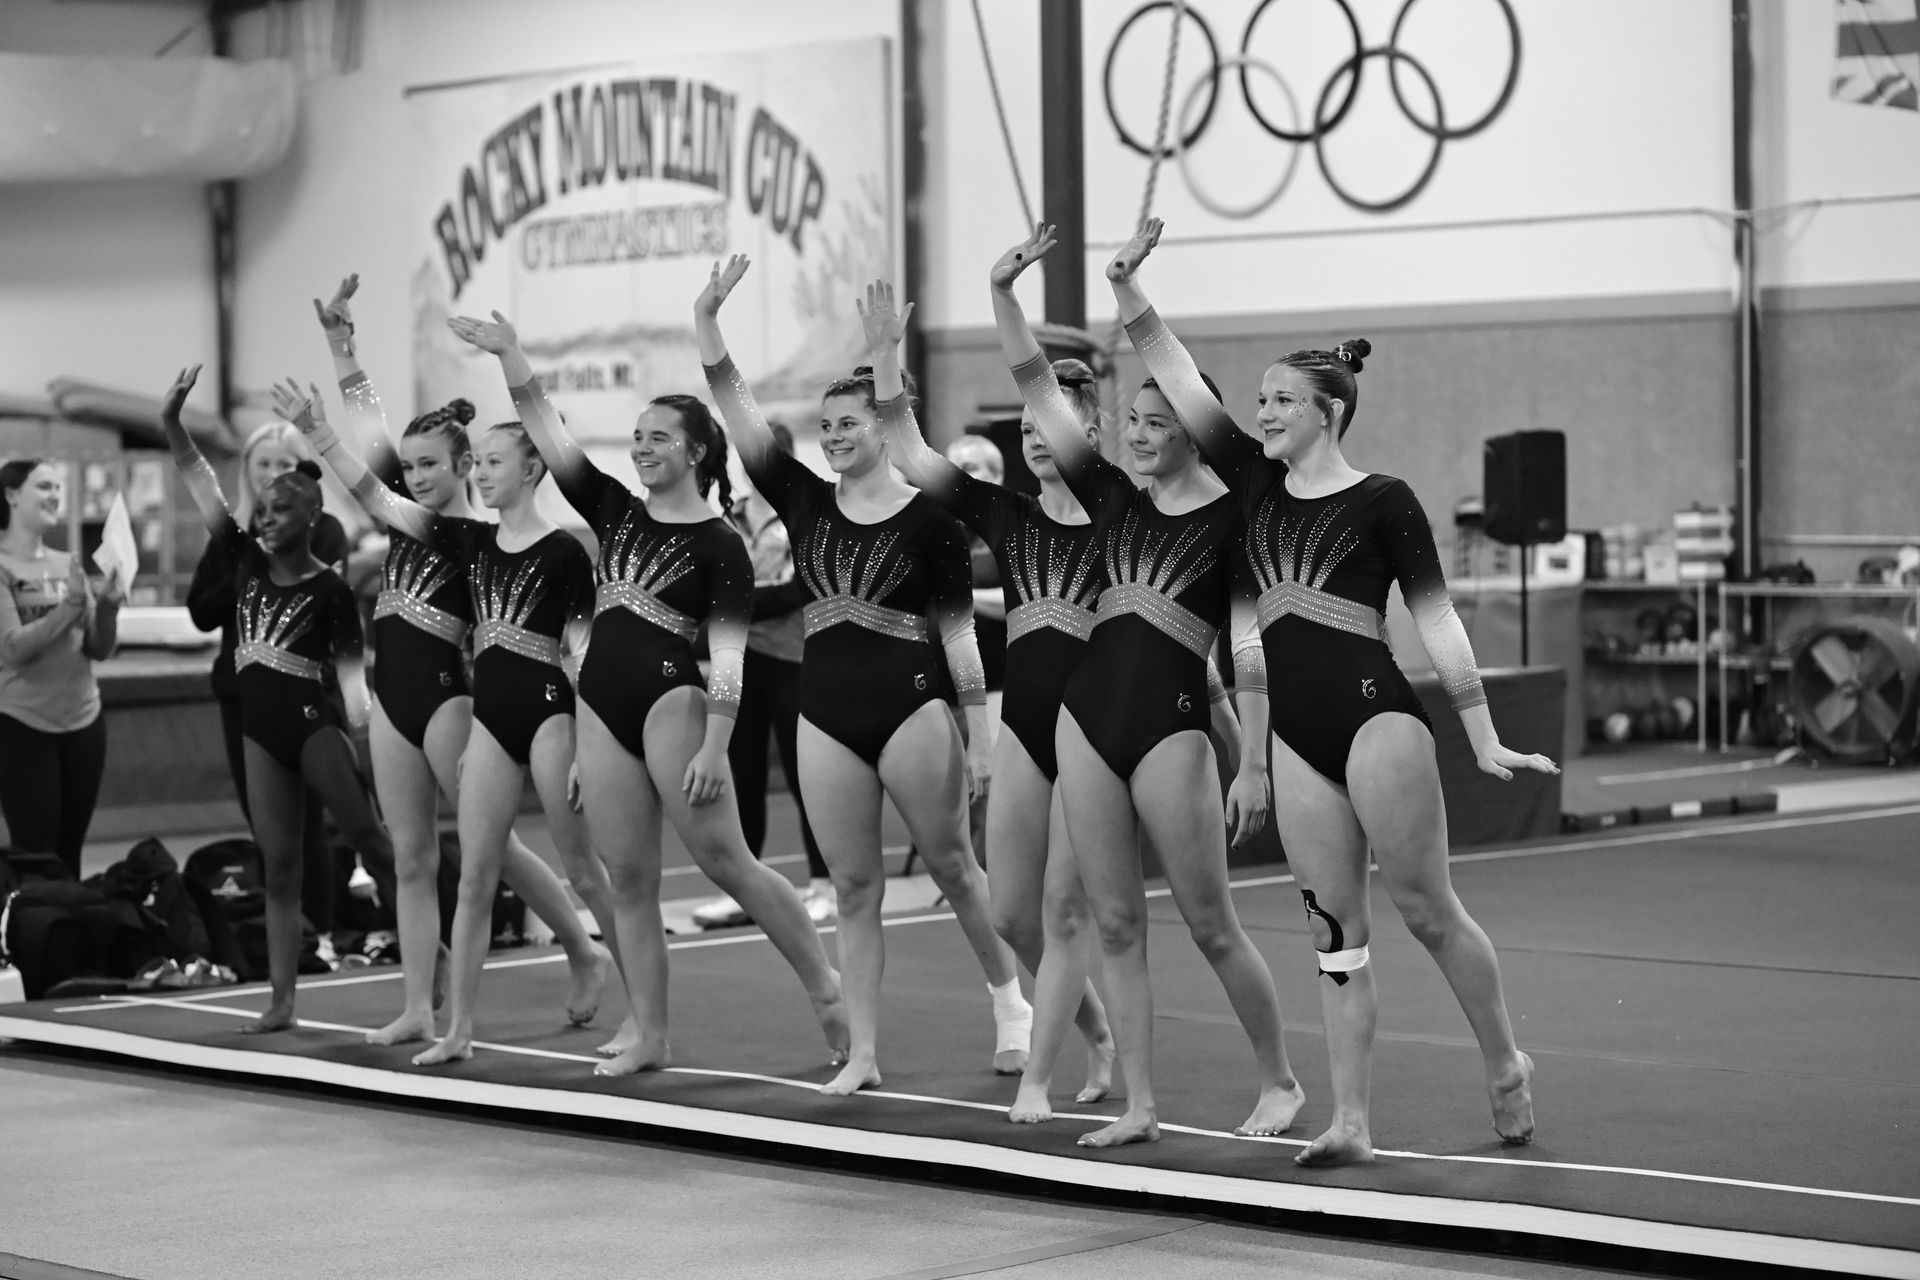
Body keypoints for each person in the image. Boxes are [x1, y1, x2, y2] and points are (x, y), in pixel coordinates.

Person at [1107, 216, 1553, 1163]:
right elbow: (1180, 377)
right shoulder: (1251, 487)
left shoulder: (1382, 499)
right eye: (1258, 400)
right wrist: (1128, 291)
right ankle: (1351, 1119)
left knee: (1428, 911)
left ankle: (1505, 1059)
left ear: (1329, 412)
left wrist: (1478, 732)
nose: (1261, 413)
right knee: (1331, 932)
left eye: (1279, 400)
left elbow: (1436, 619)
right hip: (1300, 737)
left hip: (1377, 717)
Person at [448, 308, 848, 1075]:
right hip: (599, 710)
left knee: (729, 861)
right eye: (635, 437)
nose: (641, 448)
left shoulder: (720, 543)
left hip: (673, 705)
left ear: (696, 452)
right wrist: (513, 353)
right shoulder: (613, 510)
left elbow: (727, 657)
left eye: (658, 437)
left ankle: (825, 986)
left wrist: (717, 745)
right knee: (628, 879)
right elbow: (552, 436)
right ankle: (652, 1030)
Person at [988, 228, 1304, 1148]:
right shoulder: (1111, 499)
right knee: (1115, 925)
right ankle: (1141, 1102)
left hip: (1171, 728)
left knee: (1210, 923)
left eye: (1157, 425)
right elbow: (1038, 392)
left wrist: (1249, 760)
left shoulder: (1232, 518)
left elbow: (1246, 646)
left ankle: (1279, 1079)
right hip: (1086, 723)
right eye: (1131, 423)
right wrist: (1005, 297)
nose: (1137, 435)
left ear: (1192, 435)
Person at [696, 255, 1028, 1096]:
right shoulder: (805, 501)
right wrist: (709, 326)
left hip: (914, 707)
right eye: (827, 425)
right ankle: (867, 1053)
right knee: (852, 887)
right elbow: (739, 422)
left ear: (885, 424)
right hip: (827, 712)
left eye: (850, 423)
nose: (835, 435)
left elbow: (960, 643)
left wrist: (982, 737)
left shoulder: (933, 524)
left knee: (954, 867)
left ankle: (1012, 1003)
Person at [305, 276, 618, 1047]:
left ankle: (584, 947)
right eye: (408, 469)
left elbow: (367, 456)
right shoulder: (415, 516)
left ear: (463, 469)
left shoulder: (471, 536)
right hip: (390, 700)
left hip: (451, 698)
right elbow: (370, 434)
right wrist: (343, 345)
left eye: (433, 467)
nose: (415, 478)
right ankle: (421, 1002)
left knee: (491, 849)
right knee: (412, 854)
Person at [858, 282, 1116, 1122]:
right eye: (1029, 428)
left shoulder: (1123, 510)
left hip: (1101, 729)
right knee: (1012, 912)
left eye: (1056, 423)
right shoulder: (1005, 514)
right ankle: (1101, 1033)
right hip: (1026, 731)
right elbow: (904, 447)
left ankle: (1040, 1075)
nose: (1040, 438)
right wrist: (883, 357)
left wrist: (1005, 298)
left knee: (1070, 908)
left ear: (1092, 430)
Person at [158, 365, 396, 1033]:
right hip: (258, 731)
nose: (265, 520)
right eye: (260, 511)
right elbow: (199, 477)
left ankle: (428, 959)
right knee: (280, 865)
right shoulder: (242, 563)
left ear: (313, 517)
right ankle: (283, 1000)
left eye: (280, 510)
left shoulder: (330, 590)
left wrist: (365, 756)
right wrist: (172, 422)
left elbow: (353, 686)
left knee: (371, 846)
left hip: (314, 729)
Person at [186, 421, 362, 946]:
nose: (272, 475)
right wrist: (246, 572)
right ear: (246, 472)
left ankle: (322, 934)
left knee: (312, 824)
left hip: (307, 694)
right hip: (243, 697)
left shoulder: (323, 529)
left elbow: (321, 603)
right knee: (270, 833)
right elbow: (200, 611)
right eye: (262, 465)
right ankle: (289, 944)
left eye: (284, 464)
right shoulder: (234, 541)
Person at [693, 420, 835, 929]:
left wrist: (734, 603)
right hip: (741, 660)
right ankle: (743, 889)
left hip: (794, 657)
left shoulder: (805, 514)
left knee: (804, 777)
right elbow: (709, 587)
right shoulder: (729, 516)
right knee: (741, 777)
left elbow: (800, 590)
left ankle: (824, 885)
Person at [0, 459, 121, 875]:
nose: (55, 495)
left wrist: (105, 607)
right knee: (34, 857)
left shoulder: (65, 562)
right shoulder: (2, 566)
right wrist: (68, 607)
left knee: (70, 854)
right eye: (44, 486)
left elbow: (97, 649)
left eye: (58, 487)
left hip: (84, 722)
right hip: (23, 725)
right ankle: (29, 937)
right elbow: (12, 649)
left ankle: (70, 937)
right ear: (12, 495)